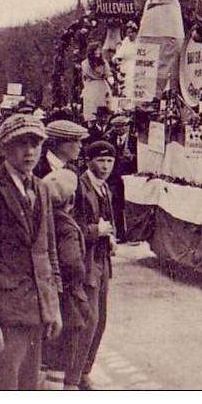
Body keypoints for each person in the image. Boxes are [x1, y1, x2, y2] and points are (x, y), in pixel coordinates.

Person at [0, 114, 62, 390]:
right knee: (0, 389)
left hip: (35, 313)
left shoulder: (41, 189)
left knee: (28, 389)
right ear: (4, 147)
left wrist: (53, 306)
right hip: (4, 316)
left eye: (35, 144)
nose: (29, 151)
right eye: (20, 144)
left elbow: (48, 250)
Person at [41, 168, 91, 390]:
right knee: (61, 358)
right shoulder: (67, 226)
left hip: (49, 297)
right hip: (67, 299)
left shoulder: (44, 220)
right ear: (71, 199)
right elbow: (72, 265)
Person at [73, 141, 117, 390]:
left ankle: (85, 369)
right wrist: (95, 231)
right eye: (101, 161)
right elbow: (70, 227)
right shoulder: (79, 188)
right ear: (89, 161)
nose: (106, 166)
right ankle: (76, 374)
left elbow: (109, 220)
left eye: (110, 161)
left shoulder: (104, 189)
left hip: (102, 260)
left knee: (100, 320)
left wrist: (110, 237)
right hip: (87, 261)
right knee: (88, 319)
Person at [105, 115, 137, 241]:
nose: (119, 129)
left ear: (128, 127)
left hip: (130, 177)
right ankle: (120, 234)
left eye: (122, 127)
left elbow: (142, 159)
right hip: (114, 178)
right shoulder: (110, 140)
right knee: (116, 206)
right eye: (116, 127)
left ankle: (132, 234)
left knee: (129, 205)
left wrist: (132, 158)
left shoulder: (134, 141)